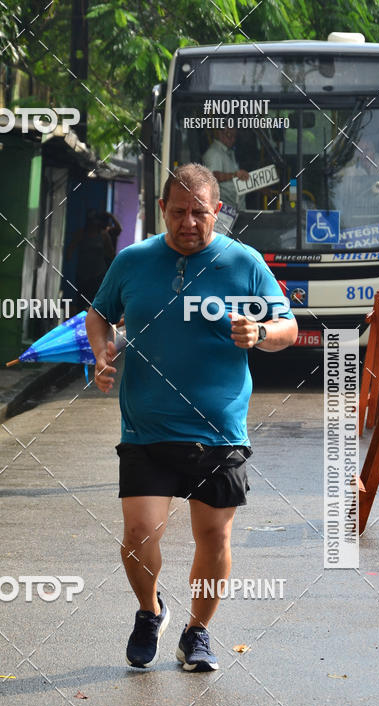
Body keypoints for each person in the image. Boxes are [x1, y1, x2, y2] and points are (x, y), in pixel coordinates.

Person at [85, 163, 297, 672]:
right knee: (139, 534)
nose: (188, 222)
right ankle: (149, 610)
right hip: (146, 425)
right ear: (162, 210)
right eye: (178, 212)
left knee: (215, 538)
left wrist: (260, 334)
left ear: (216, 211)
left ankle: (198, 632)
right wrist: (102, 353)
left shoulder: (242, 262)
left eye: (199, 212)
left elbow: (287, 324)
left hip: (218, 429)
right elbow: (99, 313)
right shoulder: (134, 261)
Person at [66, 211, 120, 316]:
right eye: (91, 222)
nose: (92, 225)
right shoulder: (81, 233)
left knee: (95, 303)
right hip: (83, 275)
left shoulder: (103, 235)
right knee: (81, 303)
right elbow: (70, 249)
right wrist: (69, 256)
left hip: (98, 274)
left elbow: (111, 253)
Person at [202, 126, 250, 210]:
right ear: (219, 133)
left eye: (234, 136)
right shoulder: (213, 153)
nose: (233, 139)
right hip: (223, 211)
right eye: (229, 135)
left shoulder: (228, 152)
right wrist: (235, 175)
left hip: (233, 208)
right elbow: (211, 176)